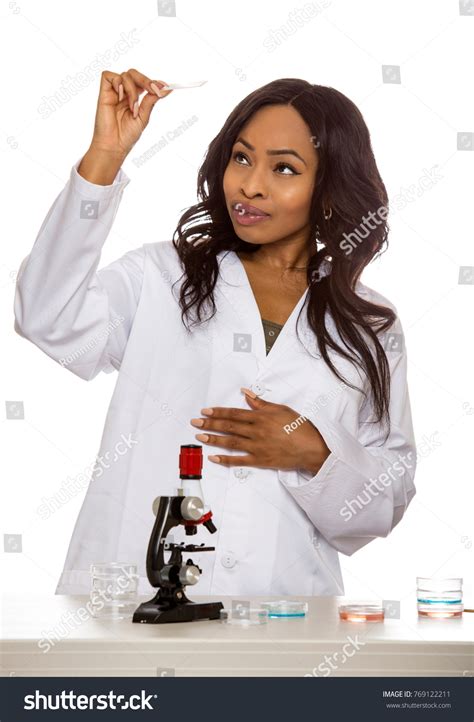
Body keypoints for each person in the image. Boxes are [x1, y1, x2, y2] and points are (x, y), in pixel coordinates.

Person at [13, 70, 417, 596]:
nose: (250, 184)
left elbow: (387, 498)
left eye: (285, 169)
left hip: (286, 615)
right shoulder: (162, 278)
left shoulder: (368, 325)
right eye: (242, 157)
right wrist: (105, 158)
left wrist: (313, 454)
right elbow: (47, 317)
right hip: (134, 601)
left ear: (329, 191)